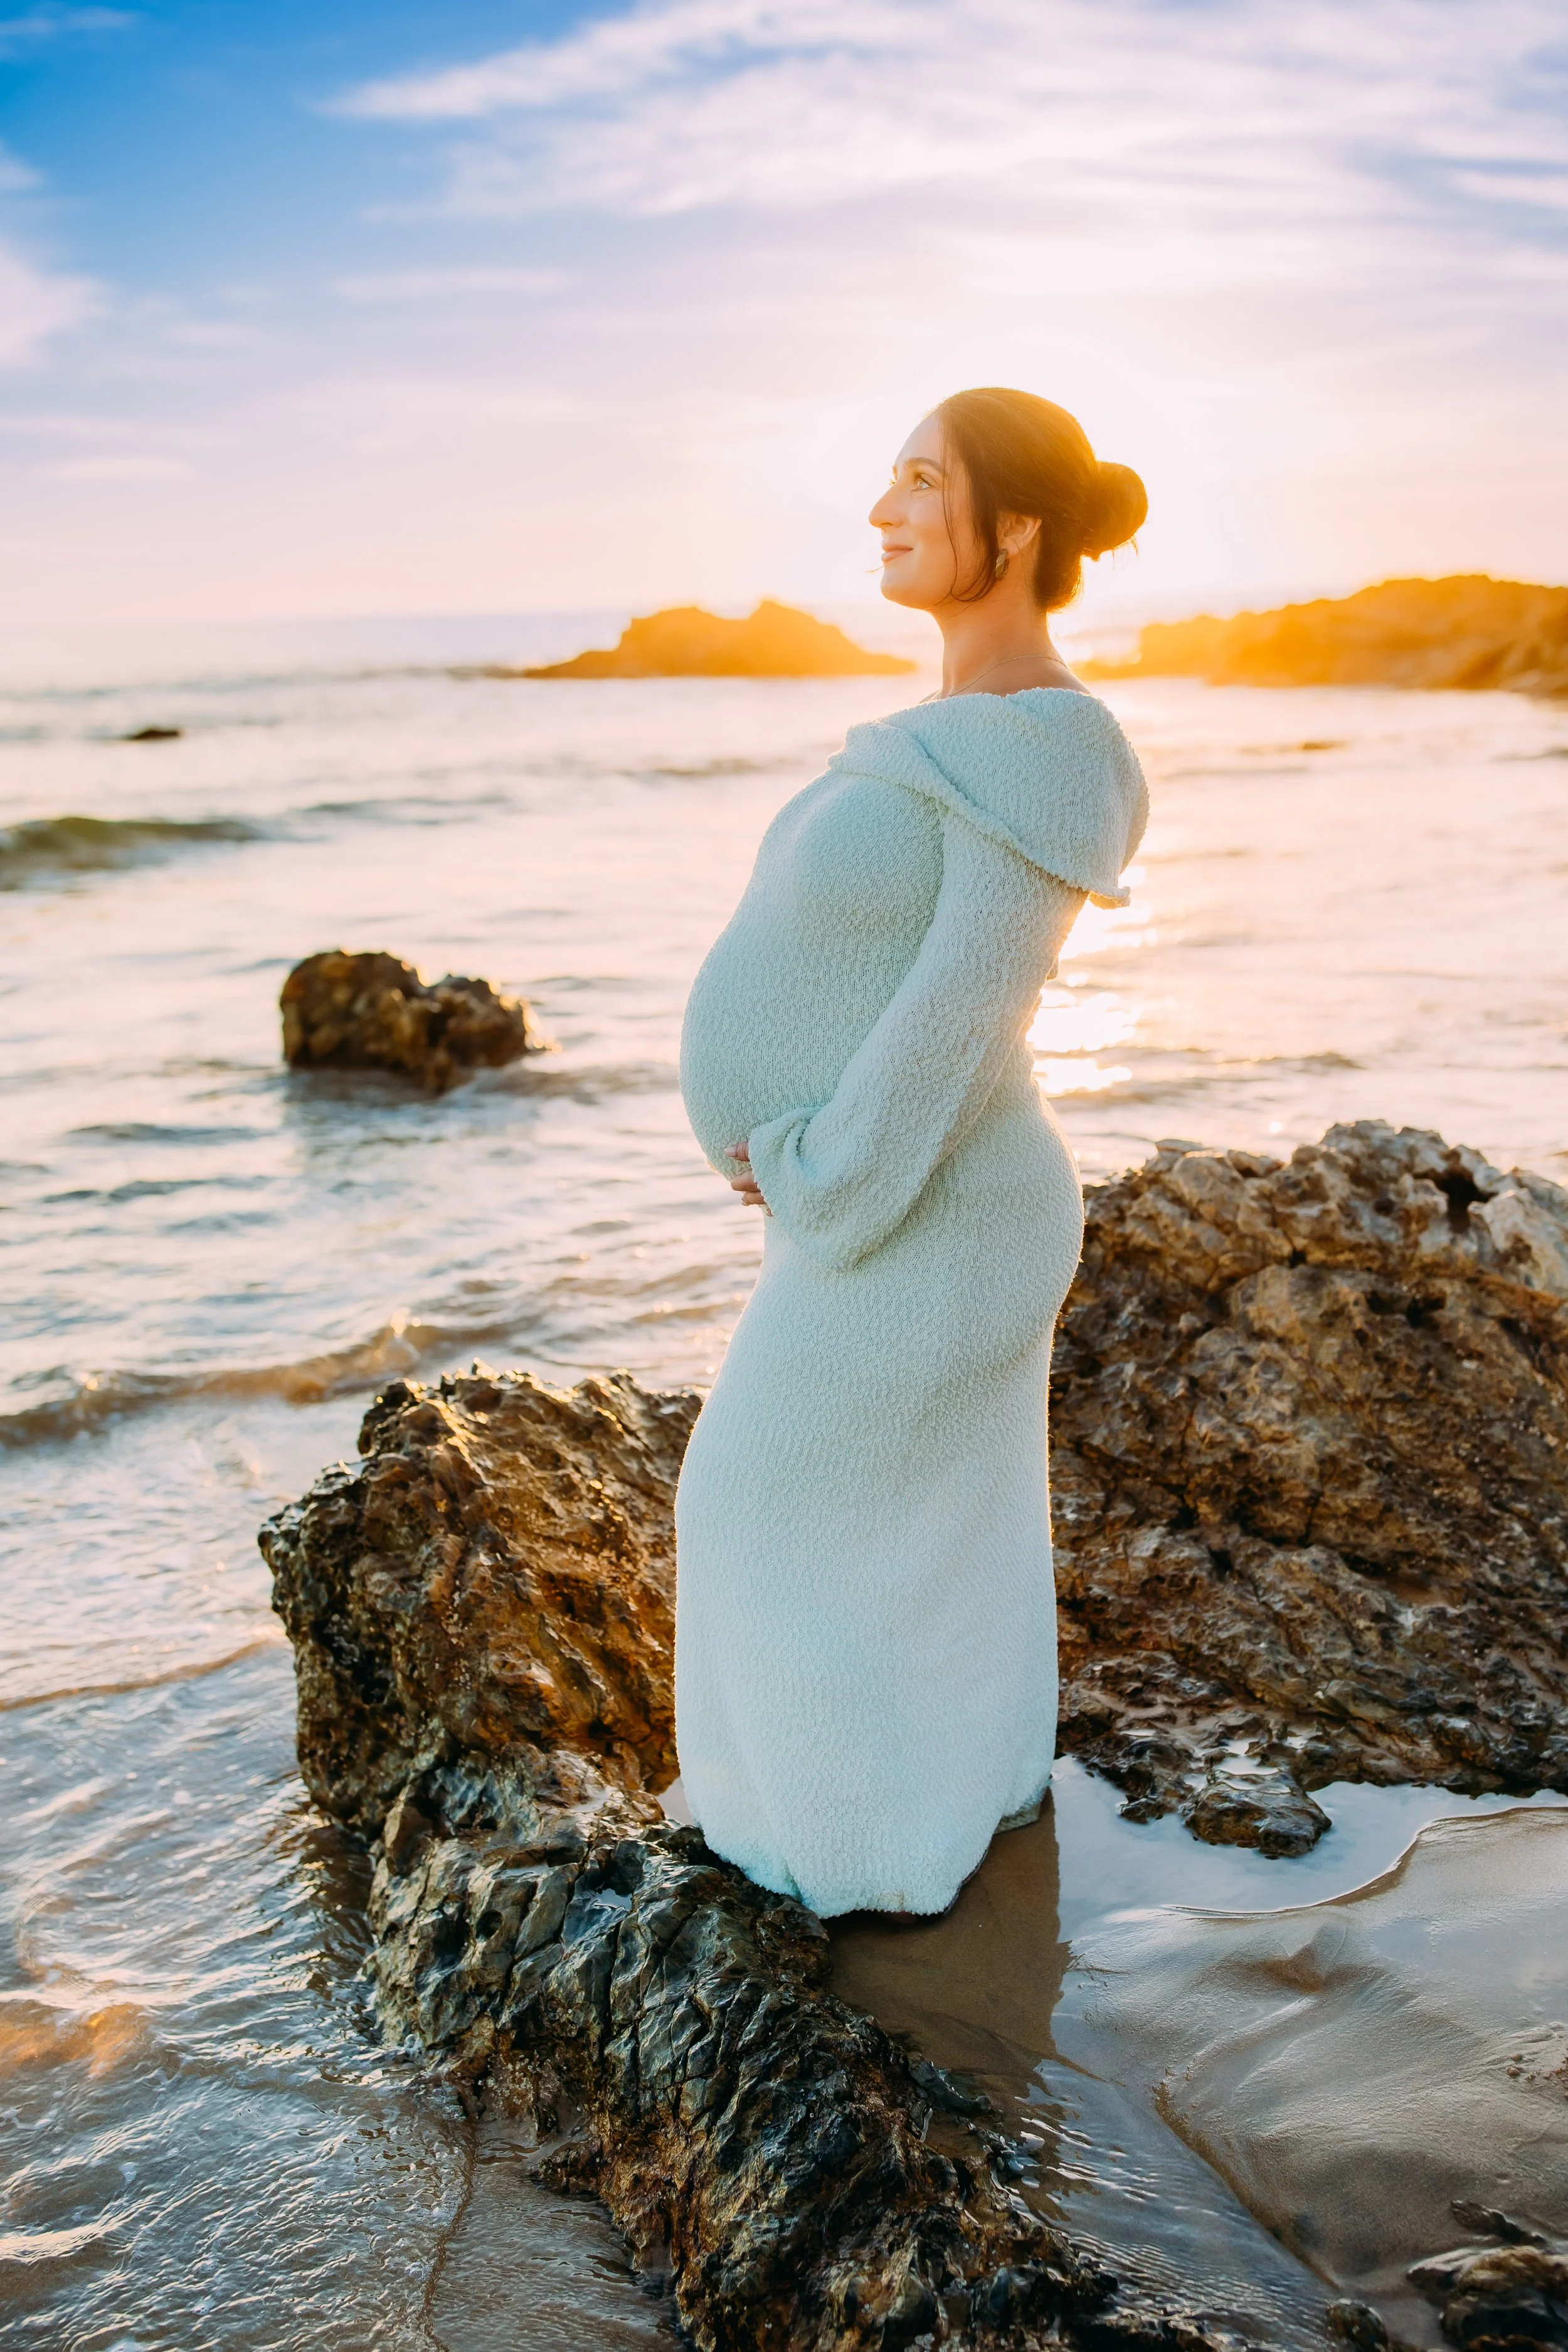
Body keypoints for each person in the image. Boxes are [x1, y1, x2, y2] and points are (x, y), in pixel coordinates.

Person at [674, 386, 1149, 1918]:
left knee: (753, 1503)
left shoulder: (1055, 746)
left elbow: (961, 1012)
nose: (880, 509)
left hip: (930, 1207)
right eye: (883, 477)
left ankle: (857, 1866)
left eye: (919, 481)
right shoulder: (951, 736)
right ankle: (963, 1797)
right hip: (896, 1200)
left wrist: (821, 1173)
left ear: (1011, 527)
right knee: (937, 1527)